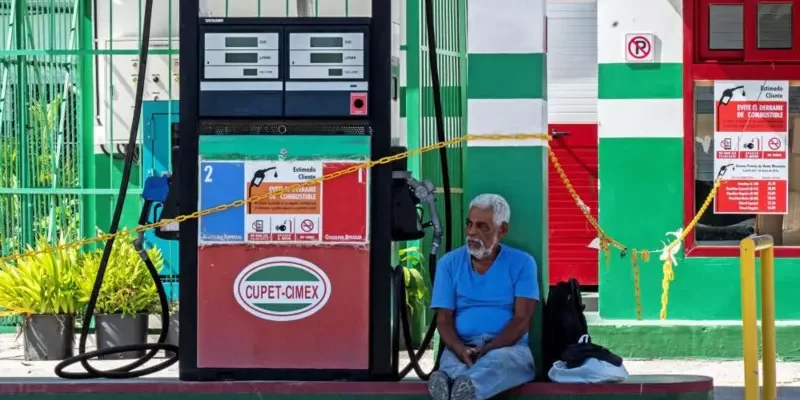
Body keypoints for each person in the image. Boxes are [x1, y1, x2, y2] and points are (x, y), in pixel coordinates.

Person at [427, 193, 539, 400]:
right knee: (451, 360)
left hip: (508, 348)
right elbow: (443, 319)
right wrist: (461, 349)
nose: (472, 232)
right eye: (469, 224)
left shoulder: (523, 263)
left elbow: (522, 320)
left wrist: (488, 349)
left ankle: (458, 385)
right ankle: (461, 384)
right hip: (462, 348)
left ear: (502, 229)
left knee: (500, 362)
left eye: (482, 226)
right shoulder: (449, 263)